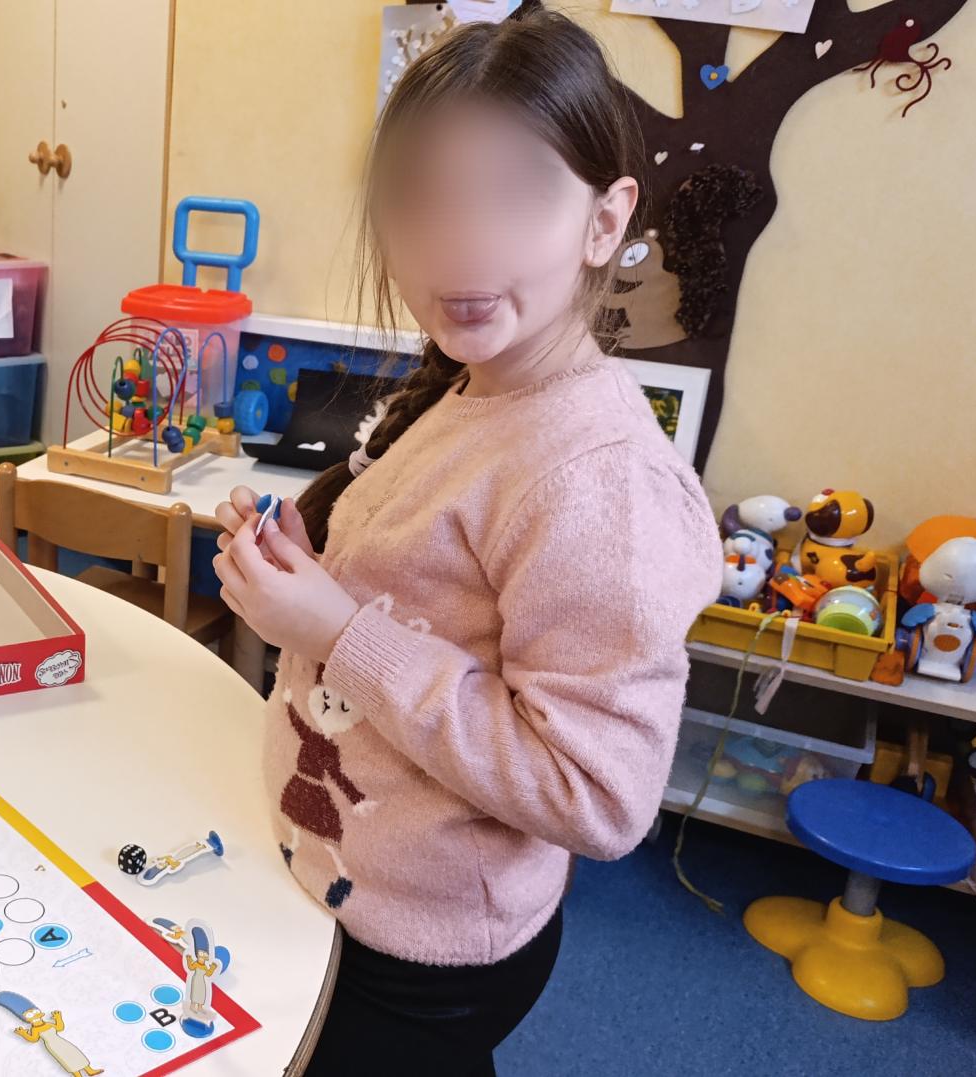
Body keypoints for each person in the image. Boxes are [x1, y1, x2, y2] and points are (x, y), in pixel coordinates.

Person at [211, 8, 721, 1074]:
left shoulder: (596, 479)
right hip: (345, 876)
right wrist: (309, 581)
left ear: (605, 220)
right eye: (422, 196)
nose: (460, 241)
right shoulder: (476, 384)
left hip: (420, 949)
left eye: (516, 192)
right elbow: (427, 595)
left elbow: (596, 794)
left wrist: (338, 629)